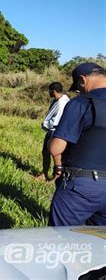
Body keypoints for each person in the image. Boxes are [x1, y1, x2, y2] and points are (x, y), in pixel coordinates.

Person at [49, 62, 106, 226]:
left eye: (78, 88)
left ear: (83, 80)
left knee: (63, 241)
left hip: (81, 188)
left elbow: (56, 148)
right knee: (100, 244)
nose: (79, 91)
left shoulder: (81, 103)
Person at [39, 82, 70, 181]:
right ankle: (45, 173)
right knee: (45, 152)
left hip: (56, 130)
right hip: (51, 130)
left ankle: (57, 176)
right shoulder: (56, 101)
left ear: (53, 91)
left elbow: (56, 120)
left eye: (49, 91)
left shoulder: (62, 103)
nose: (49, 92)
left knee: (56, 154)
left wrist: (45, 124)